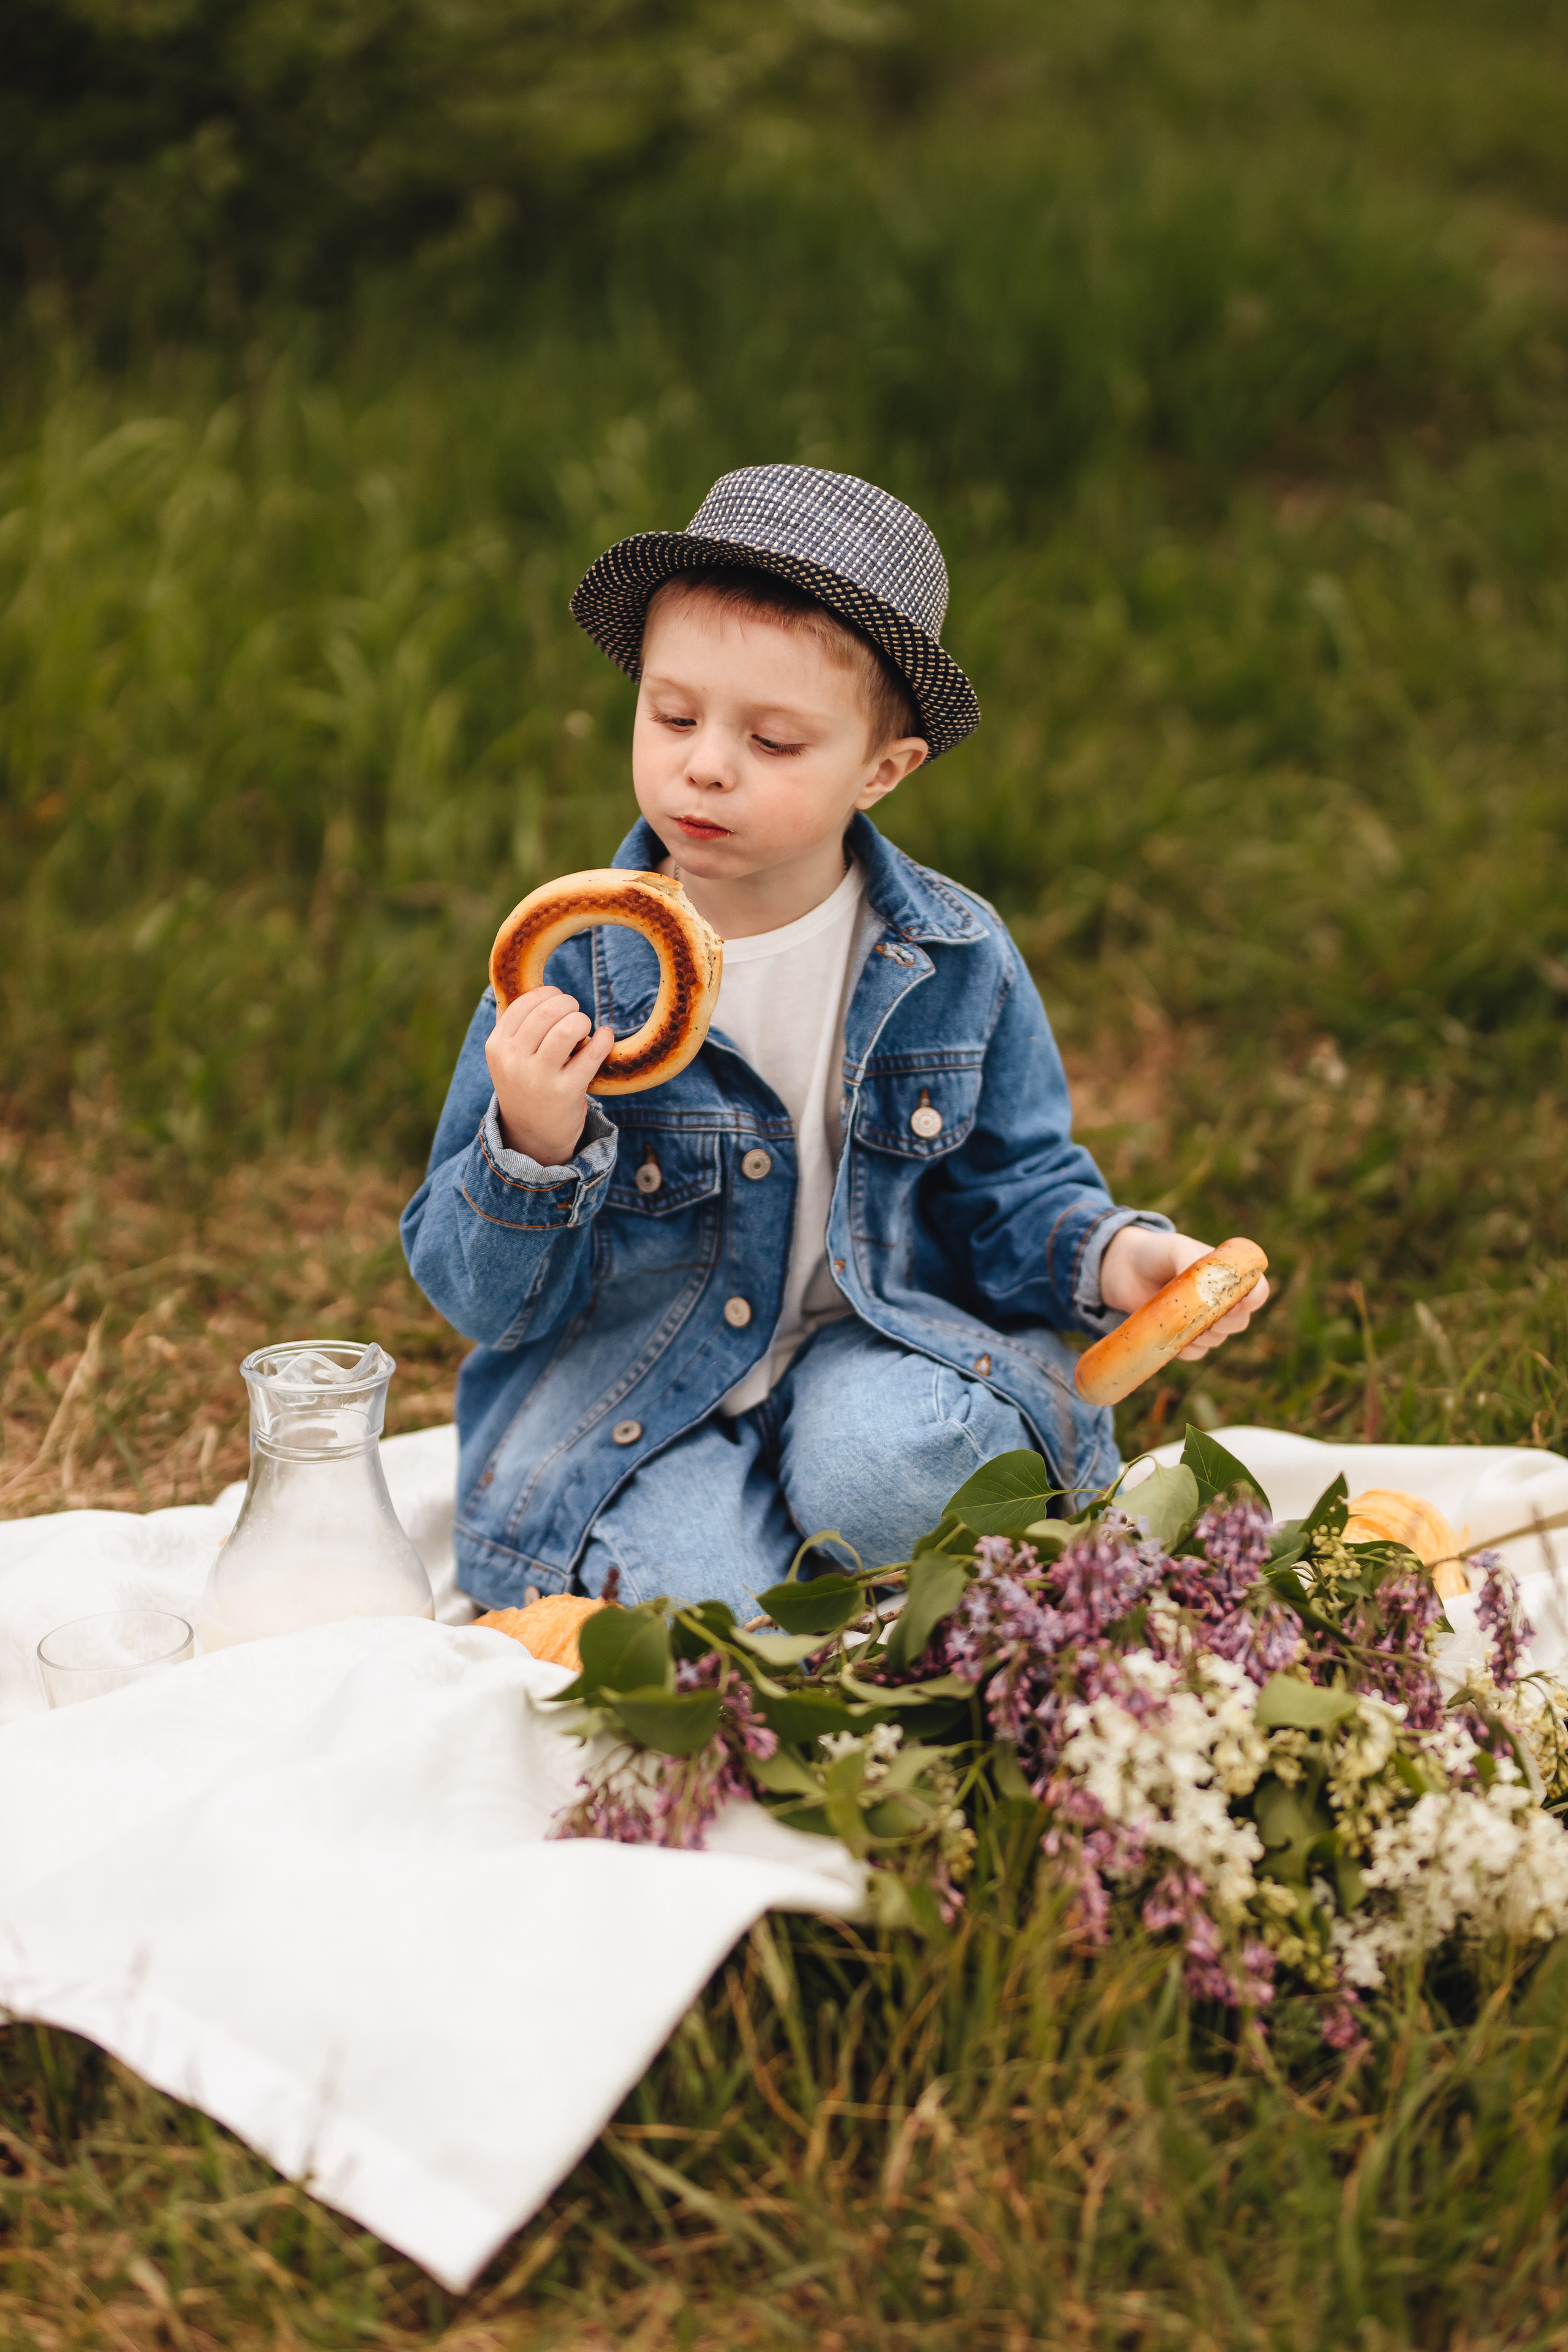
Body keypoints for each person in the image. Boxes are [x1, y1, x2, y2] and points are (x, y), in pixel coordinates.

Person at [401, 466, 1267, 1618]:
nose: (705, 763)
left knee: (902, 1476)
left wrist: (1113, 1257)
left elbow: (1009, 1187)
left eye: (772, 740)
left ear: (883, 770)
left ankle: (839, 1503)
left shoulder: (949, 957)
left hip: (877, 1349)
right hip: (639, 1396)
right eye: (672, 717)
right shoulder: (577, 963)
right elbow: (483, 1303)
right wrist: (533, 1142)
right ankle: (745, 1542)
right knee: (701, 1615)